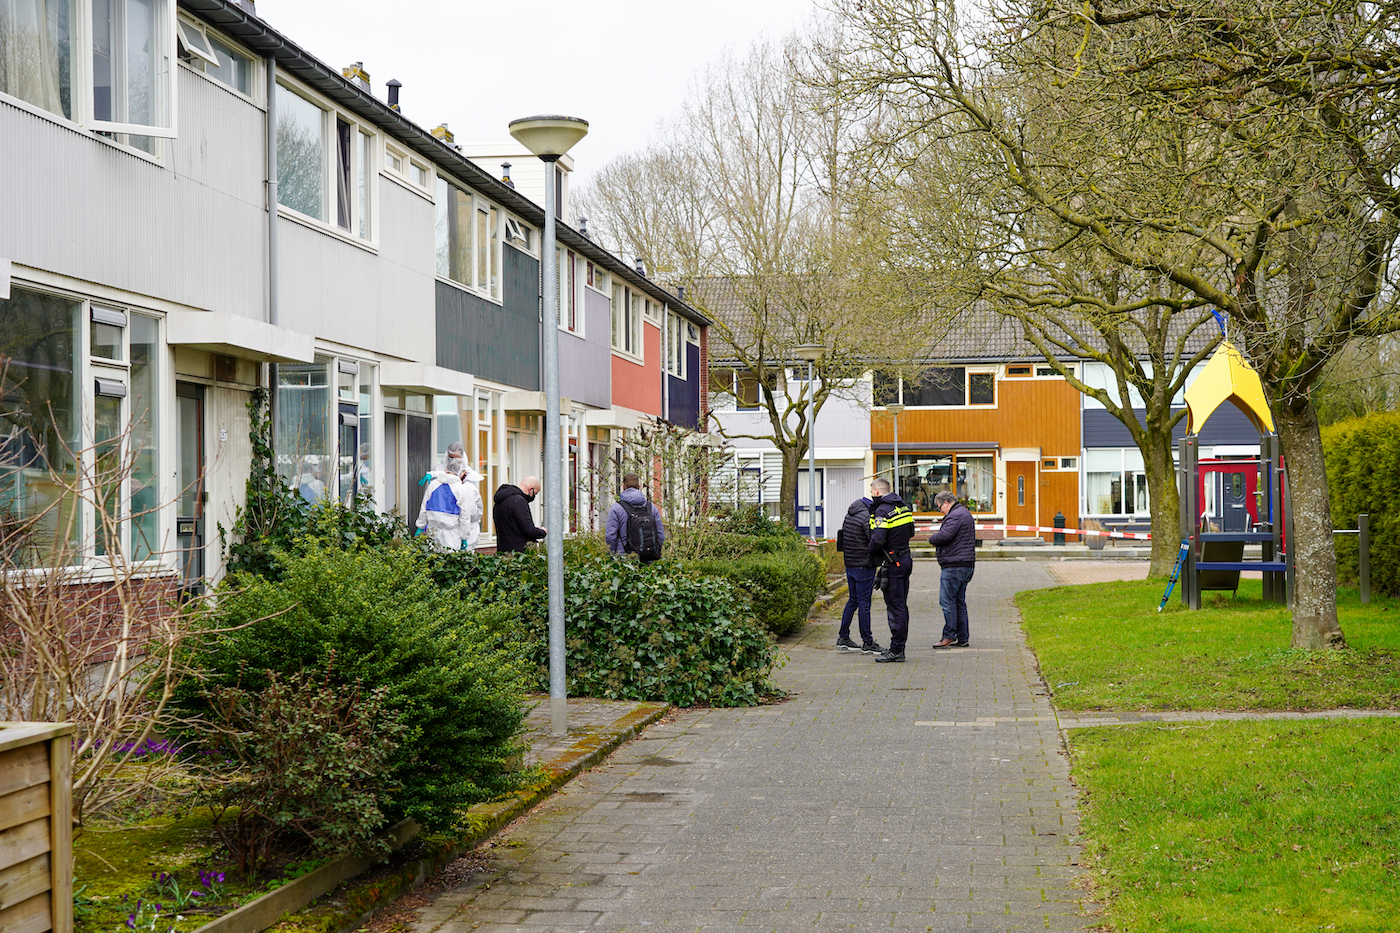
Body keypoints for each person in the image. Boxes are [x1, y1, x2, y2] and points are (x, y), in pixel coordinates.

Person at [867, 476, 915, 663]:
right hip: (904, 560)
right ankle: (898, 646)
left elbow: (878, 539)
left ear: (877, 491)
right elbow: (911, 531)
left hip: (893, 563)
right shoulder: (903, 507)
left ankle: (897, 650)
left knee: (895, 607)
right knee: (901, 605)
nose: (871, 496)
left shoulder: (882, 511)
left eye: (872, 492)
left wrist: (868, 551)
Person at [834, 492, 882, 655]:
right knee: (864, 604)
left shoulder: (850, 515)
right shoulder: (867, 517)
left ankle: (843, 637)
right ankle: (868, 642)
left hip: (851, 564)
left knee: (853, 600)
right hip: (864, 565)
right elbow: (873, 540)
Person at [929, 489, 976, 648]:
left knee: (947, 601)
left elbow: (944, 536)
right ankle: (962, 637)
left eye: (939, 507)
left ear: (946, 503)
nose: (940, 510)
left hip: (954, 565)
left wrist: (932, 539)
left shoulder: (955, 515)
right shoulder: (964, 513)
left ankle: (949, 635)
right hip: (965, 564)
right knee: (958, 602)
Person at [416, 456, 483, 551]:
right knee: (449, 563)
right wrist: (464, 537)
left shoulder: (433, 485)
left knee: (433, 561)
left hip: (432, 532)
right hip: (452, 536)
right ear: (462, 472)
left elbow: (424, 507)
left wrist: (420, 526)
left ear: (447, 469)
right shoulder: (461, 489)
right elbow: (464, 516)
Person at [605, 472, 666, 562]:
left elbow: (611, 536)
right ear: (639, 486)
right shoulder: (651, 508)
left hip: (624, 559)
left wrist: (612, 557)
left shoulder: (616, 508)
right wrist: (652, 552)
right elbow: (660, 535)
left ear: (623, 487)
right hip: (647, 559)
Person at [493, 475, 547, 553]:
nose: (533, 497)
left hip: (503, 550)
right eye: (534, 493)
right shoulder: (519, 501)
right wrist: (542, 532)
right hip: (519, 553)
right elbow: (528, 530)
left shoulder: (500, 501)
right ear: (530, 489)